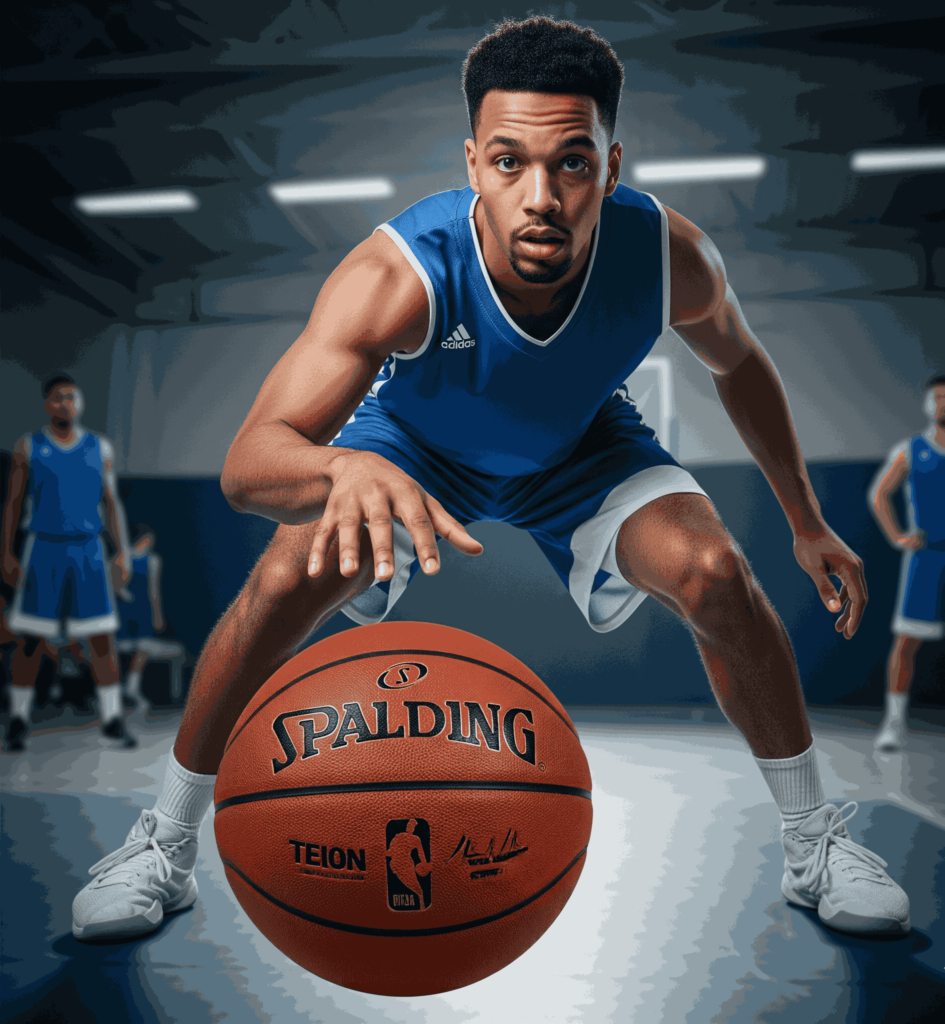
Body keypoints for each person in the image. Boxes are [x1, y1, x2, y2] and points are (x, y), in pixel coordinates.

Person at [71, 17, 910, 942]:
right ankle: (163, 845)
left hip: (583, 449)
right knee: (283, 577)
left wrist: (804, 520)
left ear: (612, 165)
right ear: (472, 162)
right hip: (412, 449)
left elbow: (739, 364)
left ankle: (814, 846)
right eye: (509, 163)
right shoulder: (399, 273)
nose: (539, 196)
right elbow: (247, 464)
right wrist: (345, 463)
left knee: (716, 574)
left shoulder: (667, 257)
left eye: (572, 164)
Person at [1, 373, 135, 751]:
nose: (66, 404)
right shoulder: (29, 446)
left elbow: (111, 503)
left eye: (72, 397)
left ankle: (111, 719)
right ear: (48, 404)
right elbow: (12, 504)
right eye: (58, 398)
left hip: (89, 549)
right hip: (43, 547)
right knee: (30, 640)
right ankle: (17, 719)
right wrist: (6, 552)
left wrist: (121, 549)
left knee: (102, 638)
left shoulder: (99, 447)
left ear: (81, 403)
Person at [868, 373, 945, 750]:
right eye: (937, 397)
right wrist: (899, 536)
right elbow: (879, 494)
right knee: (906, 643)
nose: (942, 403)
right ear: (927, 404)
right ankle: (893, 724)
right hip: (927, 557)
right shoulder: (912, 449)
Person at [115, 524, 186, 706]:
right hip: (130, 621)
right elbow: (153, 593)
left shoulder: (133, 560)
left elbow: (150, 592)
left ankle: (131, 688)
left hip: (134, 621)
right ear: (143, 539)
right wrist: (157, 616)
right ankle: (128, 688)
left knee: (142, 649)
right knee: (139, 648)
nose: (150, 543)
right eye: (148, 539)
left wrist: (156, 617)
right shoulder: (139, 560)